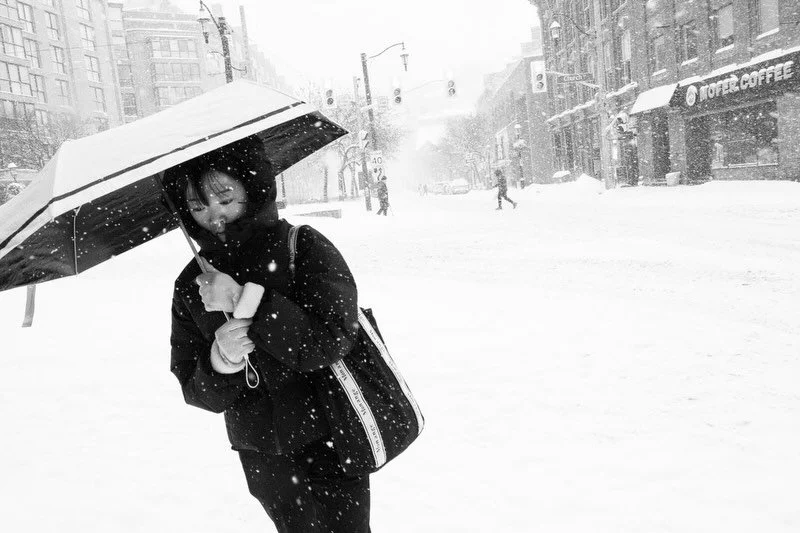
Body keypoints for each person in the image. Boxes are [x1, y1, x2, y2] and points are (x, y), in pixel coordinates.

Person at [162, 136, 371, 533]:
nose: (213, 214)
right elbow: (194, 389)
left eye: (224, 196)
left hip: (329, 436)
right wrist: (220, 361)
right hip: (263, 452)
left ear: (251, 185)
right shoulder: (191, 284)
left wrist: (245, 299)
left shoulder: (303, 246)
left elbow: (331, 340)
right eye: (197, 205)